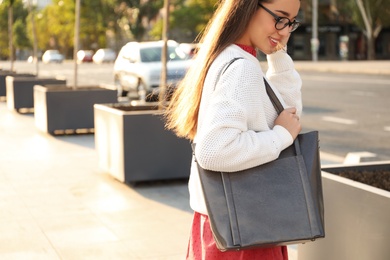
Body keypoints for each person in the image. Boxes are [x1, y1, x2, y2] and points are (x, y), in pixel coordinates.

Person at [164, 0, 302, 259]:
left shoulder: (227, 56)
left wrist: (278, 53)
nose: (285, 31)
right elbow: (215, 150)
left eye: (291, 22)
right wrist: (280, 136)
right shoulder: (242, 67)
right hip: (245, 231)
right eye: (279, 18)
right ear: (250, 7)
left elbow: (288, 113)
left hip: (225, 223)